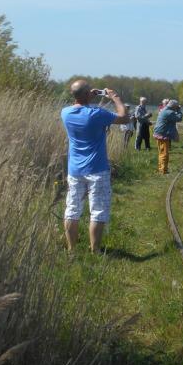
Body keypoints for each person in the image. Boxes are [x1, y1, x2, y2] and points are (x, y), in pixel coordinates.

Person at [61, 80, 129, 253]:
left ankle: (71, 249)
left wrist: (85, 96)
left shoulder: (65, 113)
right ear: (86, 94)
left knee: (72, 209)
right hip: (97, 168)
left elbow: (78, 104)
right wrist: (115, 98)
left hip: (75, 169)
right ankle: (95, 249)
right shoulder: (96, 114)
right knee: (98, 210)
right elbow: (124, 117)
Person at [153, 100, 183, 174]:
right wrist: (179, 110)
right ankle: (163, 171)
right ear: (173, 107)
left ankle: (161, 168)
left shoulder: (164, 110)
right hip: (163, 134)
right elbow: (179, 118)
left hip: (159, 133)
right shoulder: (169, 112)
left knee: (161, 152)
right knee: (164, 153)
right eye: (176, 106)